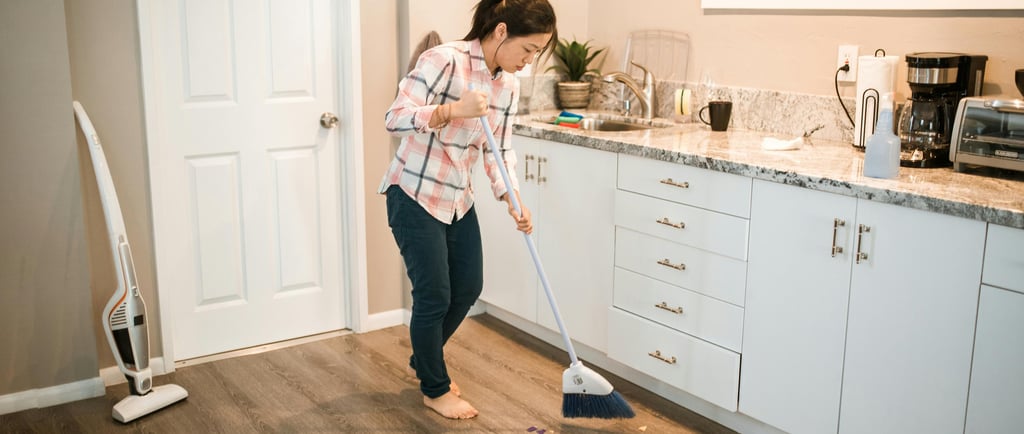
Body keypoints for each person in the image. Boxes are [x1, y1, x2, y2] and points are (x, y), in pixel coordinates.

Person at [379, 0, 557, 420]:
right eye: (528, 49)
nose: (529, 61)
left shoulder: (507, 87)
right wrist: (449, 110)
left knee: (468, 288)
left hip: (458, 199)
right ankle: (434, 387)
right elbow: (395, 117)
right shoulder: (443, 60)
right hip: (414, 194)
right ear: (499, 32)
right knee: (434, 295)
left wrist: (513, 198)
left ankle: (424, 359)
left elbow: (500, 150)